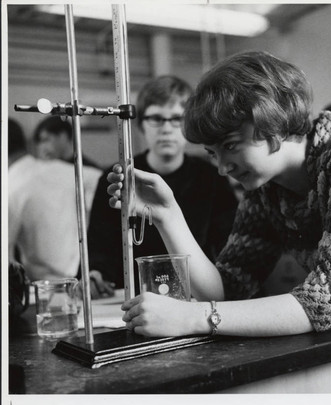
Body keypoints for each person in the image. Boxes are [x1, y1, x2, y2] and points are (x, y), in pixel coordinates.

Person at [107, 51, 331, 393]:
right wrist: (167, 215)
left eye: (230, 146)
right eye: (212, 153)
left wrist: (192, 317)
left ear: (272, 123)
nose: (222, 167)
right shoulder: (266, 188)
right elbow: (229, 287)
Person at [85, 75, 238, 298]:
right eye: (157, 118)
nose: (167, 129)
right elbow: (100, 248)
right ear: (141, 125)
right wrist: (94, 275)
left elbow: (228, 248)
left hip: (195, 295)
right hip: (133, 298)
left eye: (177, 119)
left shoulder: (212, 178)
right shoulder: (119, 178)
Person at [8, 118, 100, 280]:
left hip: (50, 290)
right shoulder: (86, 175)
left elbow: (5, 260)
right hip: (92, 279)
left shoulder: (11, 186)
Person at [33, 115, 99, 167]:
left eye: (46, 140)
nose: (42, 147)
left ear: (63, 136)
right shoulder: (49, 166)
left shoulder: (89, 169)